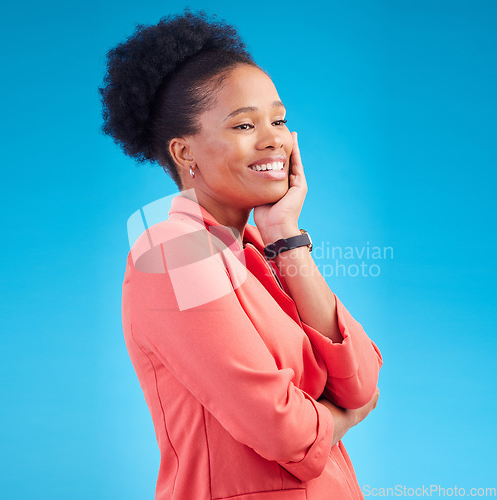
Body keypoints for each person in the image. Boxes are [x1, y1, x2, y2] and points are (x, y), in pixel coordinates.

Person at [100, 11, 383, 500]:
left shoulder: (256, 253)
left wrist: (284, 235)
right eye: (244, 125)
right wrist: (340, 418)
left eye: (278, 119)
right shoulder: (173, 253)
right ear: (185, 153)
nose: (273, 137)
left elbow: (361, 381)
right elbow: (282, 430)